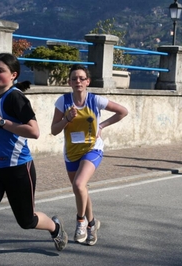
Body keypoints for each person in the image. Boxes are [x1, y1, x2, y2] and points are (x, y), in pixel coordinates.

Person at [0, 53, 68, 266]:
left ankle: (55, 227)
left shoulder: (16, 97)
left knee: (26, 220)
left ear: (13, 75)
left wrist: (2, 122)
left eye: (0, 70)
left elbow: (34, 131)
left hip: (18, 168)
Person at [50, 64, 128, 246]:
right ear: (69, 82)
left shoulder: (95, 100)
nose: (78, 81)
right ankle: (92, 224)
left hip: (93, 149)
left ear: (87, 82)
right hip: (71, 152)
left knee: (78, 184)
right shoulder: (63, 102)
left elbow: (123, 111)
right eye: (74, 78)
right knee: (81, 190)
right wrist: (66, 119)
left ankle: (80, 222)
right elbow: (54, 130)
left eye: (81, 78)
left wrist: (101, 125)